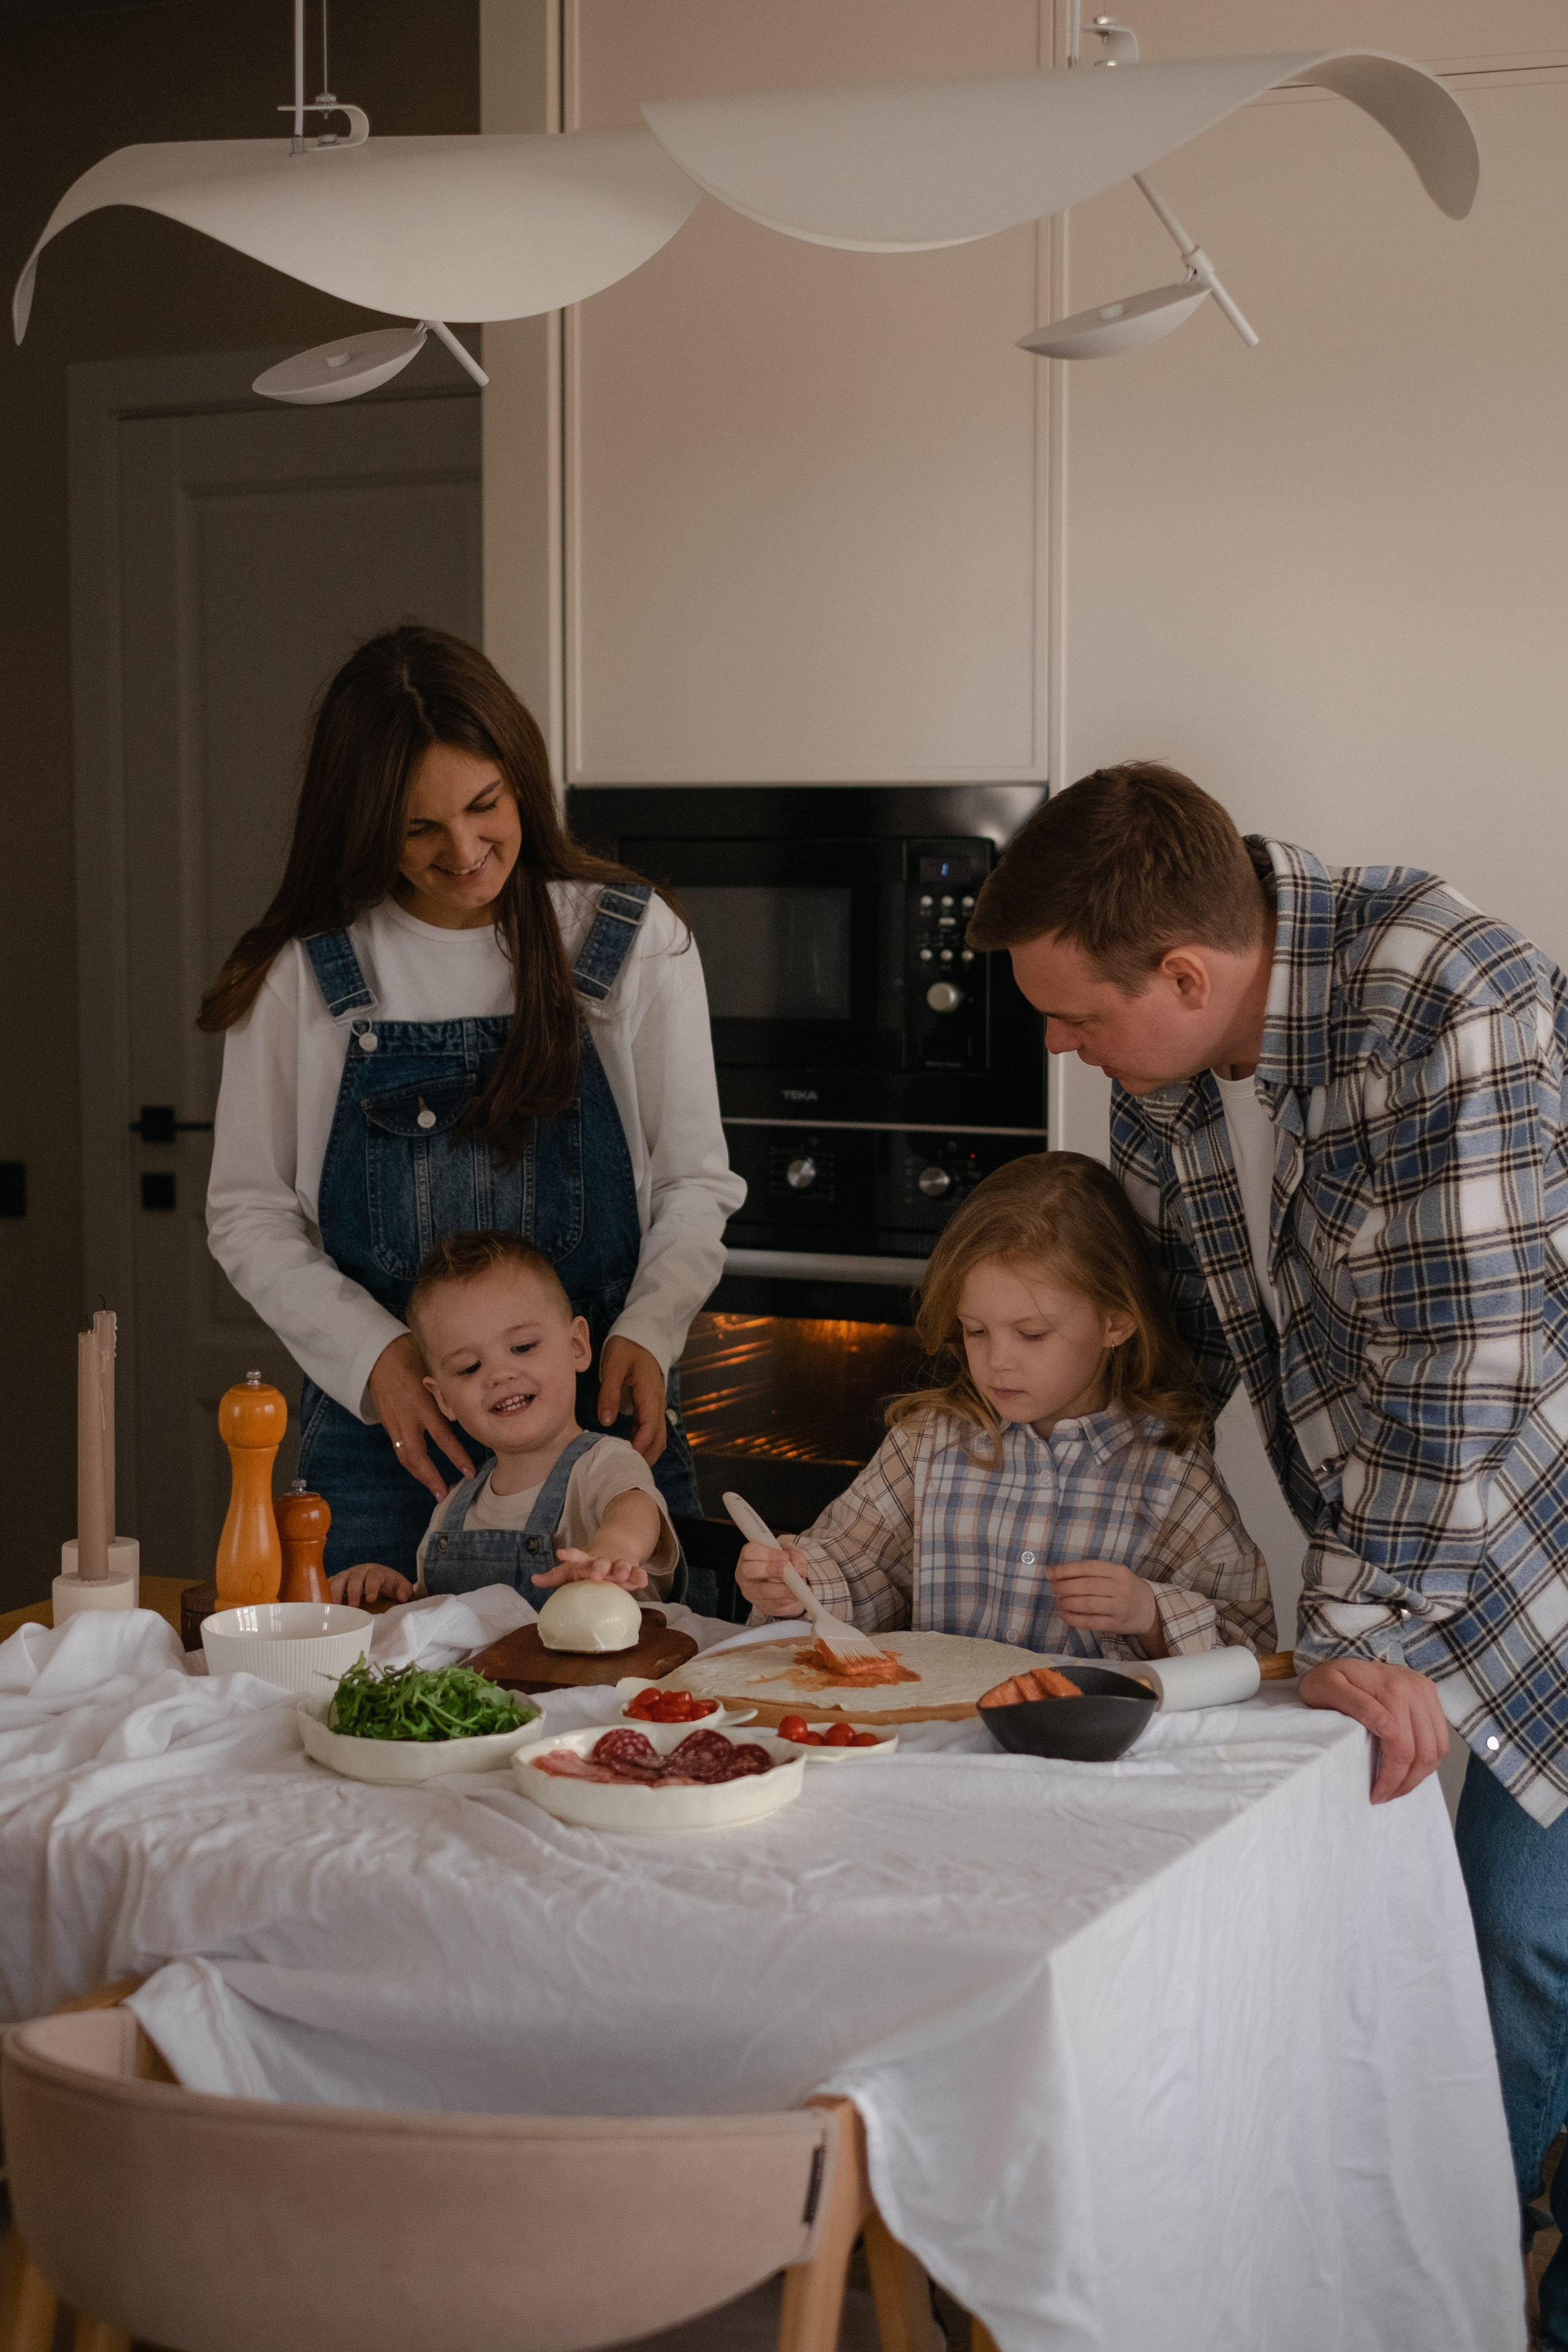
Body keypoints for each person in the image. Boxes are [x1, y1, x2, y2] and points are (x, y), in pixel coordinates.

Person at [967, 760, 1568, 2337]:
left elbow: (1468, 1369)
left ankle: (1459, 2302)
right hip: (1401, 1539)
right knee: (1378, 1930)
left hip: (1546, 1533)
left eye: (1075, 1018)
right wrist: (1060, 1447)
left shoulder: (1449, 995)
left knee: (1509, 1943)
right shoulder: (1160, 1063)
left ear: (1183, 972)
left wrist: (1350, 1624)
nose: (1061, 1046)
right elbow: (1184, 1328)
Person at [200, 625, 743, 1597]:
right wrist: (379, 1363)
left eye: (486, 806)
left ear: (520, 778)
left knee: (630, 1725)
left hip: (595, 1424)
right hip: (389, 1445)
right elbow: (247, 1213)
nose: (465, 851)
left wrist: (649, 1333)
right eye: (418, 830)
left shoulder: (628, 941)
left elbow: (697, 1180)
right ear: (364, 824)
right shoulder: (310, 973)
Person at [736, 1152, 1275, 1660]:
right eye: (976, 1331)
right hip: (939, 1735)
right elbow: (860, 1567)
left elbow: (1250, 1643)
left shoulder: (1171, 1471)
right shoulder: (927, 1442)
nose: (998, 1362)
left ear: (1116, 1321)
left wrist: (1150, 1614)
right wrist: (799, 1582)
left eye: (1032, 1334)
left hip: (1083, 1751)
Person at [330, 1230, 680, 1608]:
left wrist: (613, 1551)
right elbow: (443, 1620)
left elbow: (636, 1510)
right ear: (444, 1400)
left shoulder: (604, 1462)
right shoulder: (453, 1509)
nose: (499, 1375)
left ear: (577, 1346)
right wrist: (395, 1593)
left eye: (523, 1347)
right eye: (469, 1367)